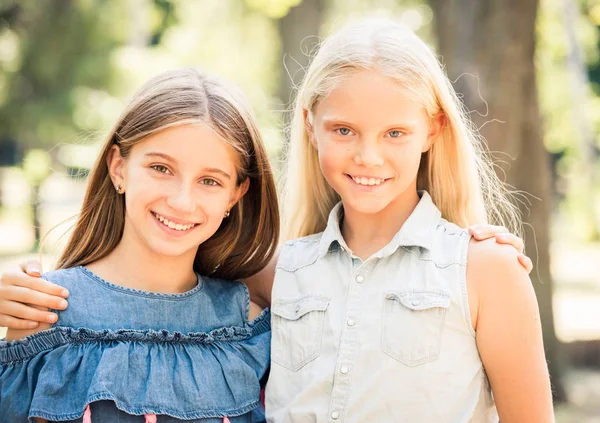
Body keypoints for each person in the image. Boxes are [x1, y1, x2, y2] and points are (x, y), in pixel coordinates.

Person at [265, 18, 554, 422]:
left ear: (432, 130)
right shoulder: (276, 272)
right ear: (311, 126)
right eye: (344, 130)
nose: (368, 156)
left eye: (395, 133)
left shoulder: (487, 271)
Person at [0, 67, 279, 422]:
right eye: (161, 168)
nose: (181, 201)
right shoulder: (42, 312)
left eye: (209, 181)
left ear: (235, 196)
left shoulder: (248, 325)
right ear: (119, 168)